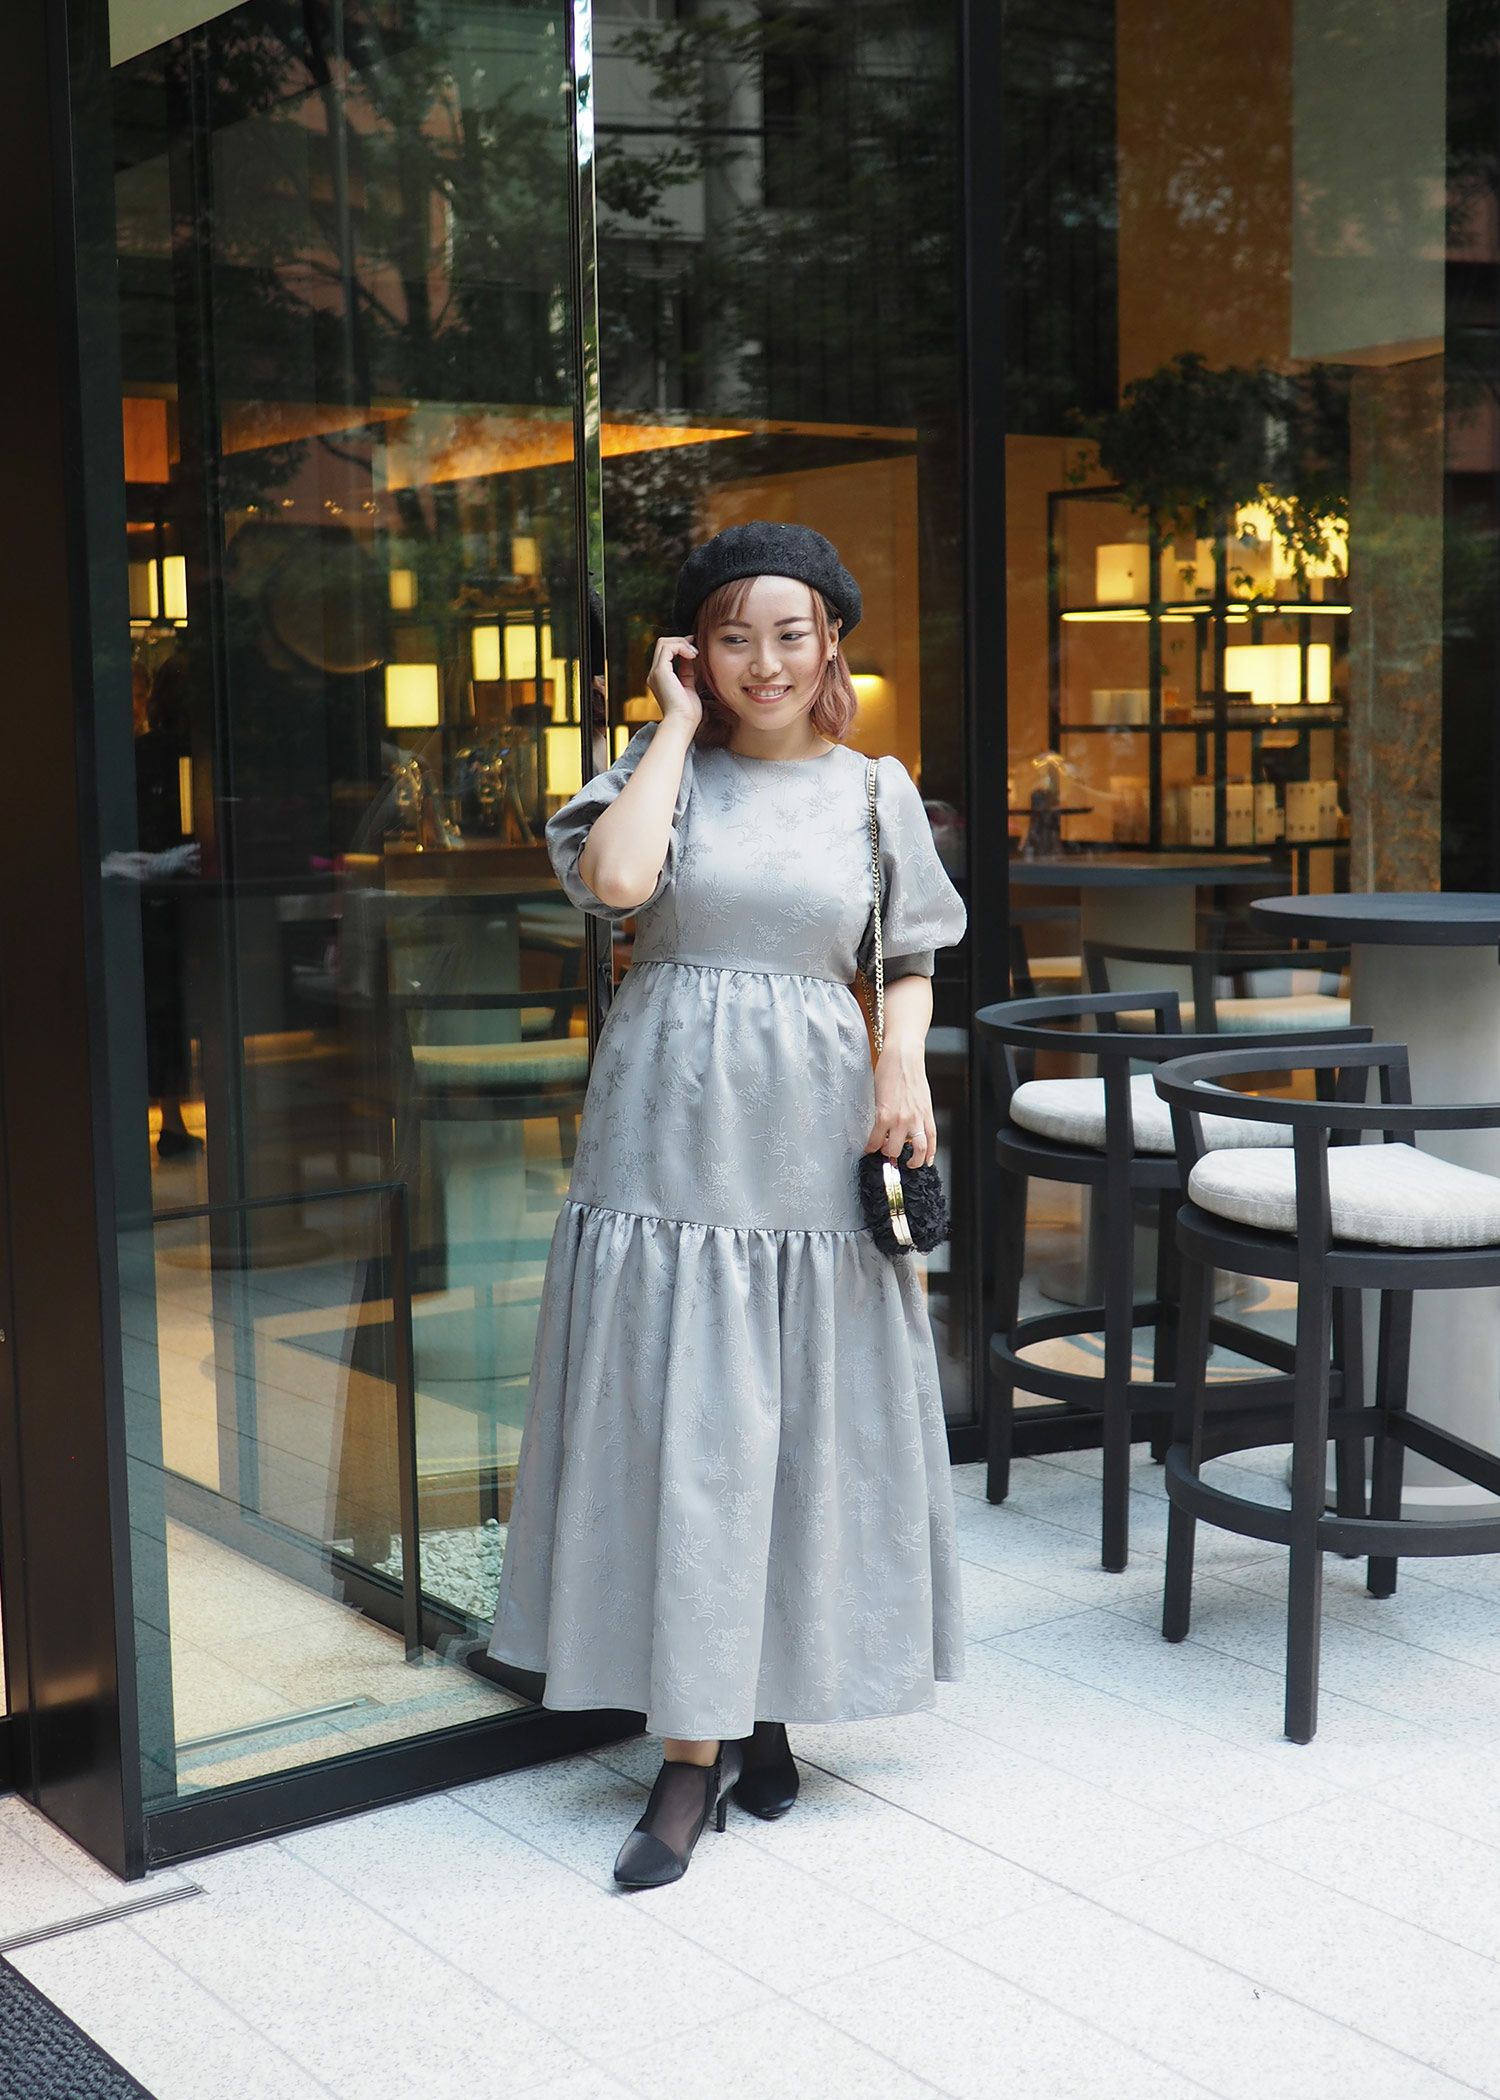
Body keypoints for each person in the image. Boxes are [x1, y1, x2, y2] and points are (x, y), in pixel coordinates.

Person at [485, 520, 968, 1889]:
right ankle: (692, 1752)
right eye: (733, 636)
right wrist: (674, 727)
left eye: (790, 634)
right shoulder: (664, 773)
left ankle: (764, 1705)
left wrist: (900, 1057)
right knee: (692, 1413)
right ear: (694, 650)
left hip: (811, 1123)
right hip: (669, 1126)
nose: (765, 662)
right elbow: (618, 885)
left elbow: (913, 953)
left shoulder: (873, 791)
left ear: (831, 644)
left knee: (793, 1413)